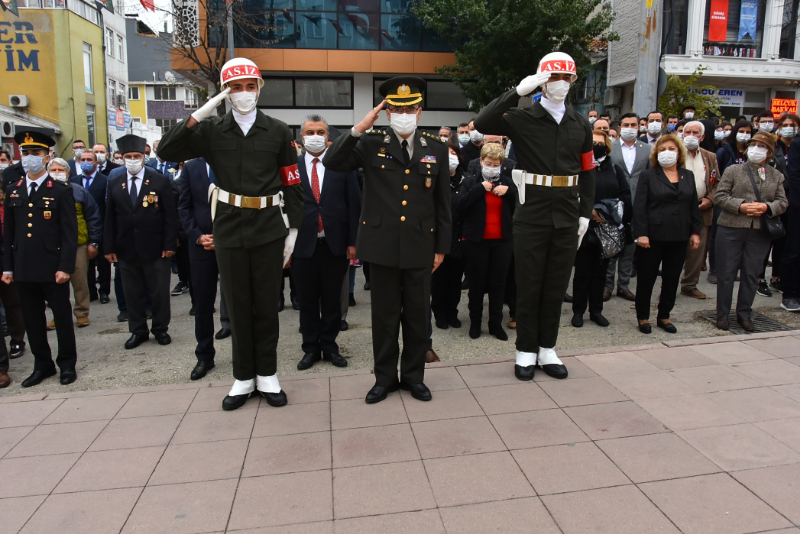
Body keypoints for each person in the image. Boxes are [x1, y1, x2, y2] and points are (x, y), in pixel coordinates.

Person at [157, 57, 304, 411]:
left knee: (268, 303)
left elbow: (292, 182)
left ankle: (267, 374)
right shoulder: (211, 131)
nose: (243, 94)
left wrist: (294, 228)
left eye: (249, 86)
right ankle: (243, 377)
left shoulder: (279, 130)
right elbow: (166, 149)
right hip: (229, 226)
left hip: (269, 226)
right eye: (234, 88)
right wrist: (201, 112)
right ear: (225, 93)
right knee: (237, 304)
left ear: (259, 88)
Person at [323, 76, 452, 404]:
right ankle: (384, 378)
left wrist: (441, 248)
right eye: (396, 108)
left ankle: (413, 377)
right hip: (380, 246)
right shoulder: (370, 142)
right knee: (383, 317)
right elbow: (332, 162)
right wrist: (358, 128)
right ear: (387, 111)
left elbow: (442, 204)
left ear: (420, 112)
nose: (403, 114)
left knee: (417, 315)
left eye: (410, 108)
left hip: (421, 246)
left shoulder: (435, 147)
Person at [475, 51, 595, 381]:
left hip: (568, 212)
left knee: (556, 285)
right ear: (542, 81)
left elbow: (587, 172)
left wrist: (585, 213)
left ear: (572, 81)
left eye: (565, 78)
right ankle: (526, 350)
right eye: (552, 77)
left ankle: (547, 347)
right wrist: (518, 91)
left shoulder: (580, 123)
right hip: (532, 211)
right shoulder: (522, 117)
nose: (559, 84)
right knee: (529, 284)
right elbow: (484, 122)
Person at [3, 131, 78, 387]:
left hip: (52, 267)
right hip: (24, 267)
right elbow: (9, 234)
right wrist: (8, 268)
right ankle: (42, 365)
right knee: (33, 320)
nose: (30, 158)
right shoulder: (14, 190)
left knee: (62, 319)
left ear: (48, 156)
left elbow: (69, 233)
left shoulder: (59, 190)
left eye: (35, 153)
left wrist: (66, 266)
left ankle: (67, 364)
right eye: (25, 153)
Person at [292, 114, 361, 371]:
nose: (315, 137)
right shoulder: (292, 167)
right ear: (302, 137)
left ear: (328, 137)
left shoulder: (341, 165)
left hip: (335, 245)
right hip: (303, 246)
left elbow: (355, 206)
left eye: (320, 132)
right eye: (310, 132)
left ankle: (330, 347)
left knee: (332, 300)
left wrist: (353, 243)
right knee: (307, 301)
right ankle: (310, 349)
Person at [104, 134, 177, 350]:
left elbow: (170, 216)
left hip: (156, 248)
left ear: (144, 157)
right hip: (126, 248)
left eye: (137, 155)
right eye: (128, 156)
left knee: (159, 293)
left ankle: (160, 329)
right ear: (122, 158)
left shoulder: (159, 181)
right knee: (132, 293)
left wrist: (170, 244)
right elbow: (110, 217)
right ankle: (138, 331)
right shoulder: (115, 182)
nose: (133, 159)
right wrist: (108, 247)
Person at [714, 132, 787, 330]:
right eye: (753, 144)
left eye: (761, 145)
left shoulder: (776, 175)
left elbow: (782, 202)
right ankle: (722, 314)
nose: (756, 148)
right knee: (727, 273)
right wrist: (741, 206)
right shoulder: (733, 170)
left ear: (769, 151)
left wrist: (767, 208)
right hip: (731, 227)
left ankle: (744, 313)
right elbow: (720, 196)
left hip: (760, 231)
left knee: (752, 274)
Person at [633, 134, 702, 334]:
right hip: (652, 237)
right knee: (646, 279)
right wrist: (641, 234)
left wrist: (695, 232)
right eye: (662, 150)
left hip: (679, 235)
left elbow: (693, 207)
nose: (667, 153)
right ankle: (643, 317)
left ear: (679, 152)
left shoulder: (687, 175)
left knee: (671, 279)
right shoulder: (648, 175)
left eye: (671, 149)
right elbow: (640, 207)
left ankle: (664, 315)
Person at [177, 156, 232, 380]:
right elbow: (184, 206)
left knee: (240, 301)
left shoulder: (233, 161)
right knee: (202, 303)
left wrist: (226, 236)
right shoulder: (191, 168)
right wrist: (198, 237)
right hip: (201, 246)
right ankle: (204, 356)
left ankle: (245, 356)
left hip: (232, 244)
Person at [456, 142, 517, 341]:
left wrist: (508, 192)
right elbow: (459, 207)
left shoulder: (508, 182)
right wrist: (479, 190)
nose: (492, 167)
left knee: (498, 284)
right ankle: (475, 324)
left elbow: (521, 204)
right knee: (476, 284)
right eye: (488, 163)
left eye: (496, 164)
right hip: (475, 241)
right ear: (481, 162)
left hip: (502, 242)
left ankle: (495, 324)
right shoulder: (470, 182)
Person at [572, 130, 631, 327]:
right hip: (583, 228)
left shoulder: (615, 170)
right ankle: (578, 311)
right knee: (582, 272)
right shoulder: (578, 168)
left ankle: (596, 311)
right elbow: (570, 194)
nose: (596, 146)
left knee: (600, 273)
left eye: (600, 143)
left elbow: (625, 196)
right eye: (593, 142)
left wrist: (605, 213)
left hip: (606, 229)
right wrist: (588, 211)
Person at [45, 158, 101, 329]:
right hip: (52, 246)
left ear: (68, 173)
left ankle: (82, 312)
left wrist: (94, 241)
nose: (56, 173)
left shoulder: (79, 192)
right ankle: (58, 314)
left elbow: (93, 217)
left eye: (60, 170)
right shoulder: (42, 193)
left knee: (79, 281)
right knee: (55, 284)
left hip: (78, 243)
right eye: (53, 170)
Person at [606, 112, 651, 302]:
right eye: (626, 124)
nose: (630, 128)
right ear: (619, 127)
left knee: (629, 247)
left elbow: (649, 176)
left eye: (634, 124)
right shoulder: (611, 148)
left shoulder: (647, 149)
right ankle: (607, 286)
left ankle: (623, 286)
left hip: (638, 204)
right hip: (615, 204)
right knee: (611, 246)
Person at [709, 119, 753, 284]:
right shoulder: (724, 152)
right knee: (719, 235)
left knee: (739, 236)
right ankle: (714, 270)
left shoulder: (752, 153)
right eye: (742, 131)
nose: (745, 135)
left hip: (745, 202)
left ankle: (732, 269)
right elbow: (716, 177)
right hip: (724, 200)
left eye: (748, 132)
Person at [679, 121, 719, 299]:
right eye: (687, 132)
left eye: (695, 133)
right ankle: (669, 286)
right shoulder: (675, 154)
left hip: (701, 210)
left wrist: (709, 200)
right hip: (677, 209)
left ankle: (689, 285)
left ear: (702, 137)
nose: (691, 135)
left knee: (696, 251)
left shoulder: (710, 157)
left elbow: (718, 183)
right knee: (674, 250)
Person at [431, 141, 467, 331]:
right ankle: (439, 313)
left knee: (455, 281)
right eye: (446, 154)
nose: (451, 157)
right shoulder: (434, 180)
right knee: (439, 281)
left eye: (454, 153)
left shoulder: (466, 179)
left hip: (460, 239)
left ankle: (452, 312)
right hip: (439, 239)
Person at [70, 150, 110, 304]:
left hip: (101, 225)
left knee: (103, 262)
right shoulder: (74, 181)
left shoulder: (105, 180)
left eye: (89, 159)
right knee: (86, 263)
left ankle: (104, 291)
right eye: (83, 159)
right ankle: (91, 291)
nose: (86, 162)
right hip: (82, 228)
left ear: (96, 163)